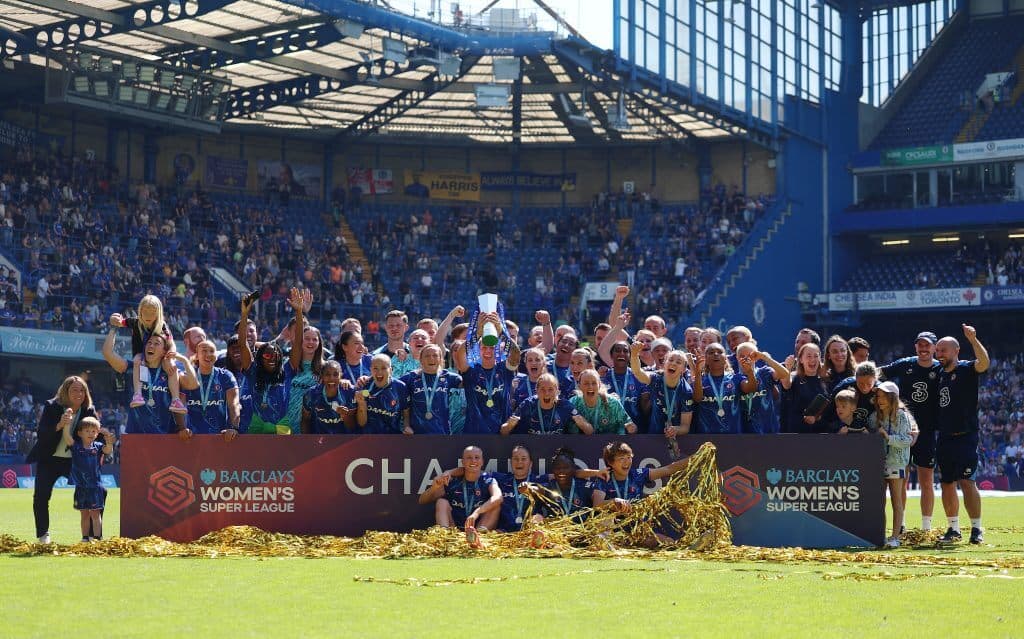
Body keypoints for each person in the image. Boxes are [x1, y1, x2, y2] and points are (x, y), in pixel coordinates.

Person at [879, 331, 942, 531]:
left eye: (928, 345)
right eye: (920, 345)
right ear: (915, 347)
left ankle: (926, 527)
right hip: (901, 431)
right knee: (901, 480)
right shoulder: (905, 364)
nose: (923, 348)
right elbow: (878, 374)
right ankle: (902, 525)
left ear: (934, 347)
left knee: (926, 480)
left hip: (927, 432)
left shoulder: (941, 369)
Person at [26, 376, 99, 544]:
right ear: (65, 391)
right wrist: (59, 425)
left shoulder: (89, 410)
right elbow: (42, 434)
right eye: (74, 390)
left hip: (74, 461)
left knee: (94, 494)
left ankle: (92, 536)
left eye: (82, 390)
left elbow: (96, 434)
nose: (79, 394)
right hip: (49, 459)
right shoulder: (52, 406)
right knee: (41, 497)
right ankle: (43, 535)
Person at [935, 325, 989, 545]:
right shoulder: (937, 375)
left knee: (967, 481)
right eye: (938, 350)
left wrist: (973, 340)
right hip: (945, 437)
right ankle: (953, 528)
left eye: (943, 350)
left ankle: (976, 529)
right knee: (947, 483)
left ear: (956, 351)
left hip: (966, 435)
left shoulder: (967, 369)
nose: (939, 354)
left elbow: (984, 363)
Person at [110, 295, 185, 415]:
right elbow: (120, 322)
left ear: (159, 313)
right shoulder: (135, 322)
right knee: (138, 360)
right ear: (140, 311)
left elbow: (171, 344)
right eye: (145, 312)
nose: (149, 316)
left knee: (172, 367)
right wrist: (114, 319)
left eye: (153, 312)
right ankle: (138, 394)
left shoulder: (162, 326)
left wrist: (170, 358)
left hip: (159, 357)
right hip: (142, 356)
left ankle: (176, 399)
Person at [102, 330, 182, 435]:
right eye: (149, 343)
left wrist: (182, 427)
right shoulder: (134, 367)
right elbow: (108, 354)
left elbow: (188, 391)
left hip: (167, 434)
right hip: (136, 434)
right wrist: (113, 329)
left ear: (164, 351)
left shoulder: (171, 372)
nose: (151, 346)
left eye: (156, 343)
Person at [454, 312, 521, 434]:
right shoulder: (471, 370)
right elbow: (460, 353)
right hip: (474, 433)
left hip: (502, 433)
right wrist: (477, 333)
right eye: (484, 347)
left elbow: (516, 355)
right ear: (478, 350)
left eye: (492, 347)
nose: (488, 351)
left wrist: (502, 332)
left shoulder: (505, 369)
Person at [869, 381, 916, 547]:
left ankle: (895, 537)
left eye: (884, 396)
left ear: (892, 398)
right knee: (879, 502)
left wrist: (888, 438)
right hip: (878, 464)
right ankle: (879, 536)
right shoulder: (874, 417)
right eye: (878, 396)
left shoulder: (902, 416)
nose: (880, 400)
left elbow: (908, 440)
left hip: (896, 463)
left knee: (897, 501)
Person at [418, 445, 501, 534]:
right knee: (441, 502)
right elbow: (422, 500)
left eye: (477, 458)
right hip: (454, 530)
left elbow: (498, 497)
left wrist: (477, 512)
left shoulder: (488, 480)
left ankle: (478, 537)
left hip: (478, 529)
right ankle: (445, 536)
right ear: (463, 462)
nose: (473, 461)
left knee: (495, 505)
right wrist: (434, 487)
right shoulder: (453, 482)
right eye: (469, 458)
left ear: (482, 462)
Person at [62, 416, 113, 543]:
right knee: (84, 514)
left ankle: (97, 539)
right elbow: (67, 438)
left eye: (94, 431)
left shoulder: (99, 446)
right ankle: (85, 538)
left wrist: (108, 439)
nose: (91, 433)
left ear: (97, 433)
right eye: (87, 431)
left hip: (95, 486)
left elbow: (108, 450)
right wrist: (67, 424)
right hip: (81, 486)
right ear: (80, 433)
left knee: (95, 514)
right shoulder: (76, 446)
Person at [179, 339, 241, 439]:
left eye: (212, 351)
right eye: (204, 351)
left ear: (216, 356)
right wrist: (181, 428)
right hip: (191, 437)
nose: (208, 354)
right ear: (197, 355)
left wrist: (233, 427)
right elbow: (180, 405)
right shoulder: (187, 376)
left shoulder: (226, 376)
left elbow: (234, 404)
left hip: (220, 437)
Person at [629, 342, 695, 436]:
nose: (673, 363)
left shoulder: (686, 390)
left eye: (678, 362)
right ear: (664, 363)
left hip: (677, 440)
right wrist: (634, 355)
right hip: (654, 436)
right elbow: (637, 372)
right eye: (670, 360)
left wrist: (676, 430)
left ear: (683, 370)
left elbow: (685, 427)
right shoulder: (655, 378)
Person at [691, 342, 757, 434]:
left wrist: (749, 372)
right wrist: (698, 373)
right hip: (706, 438)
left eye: (720, 352)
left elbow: (751, 389)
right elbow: (697, 399)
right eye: (711, 352)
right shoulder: (700, 380)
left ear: (725, 358)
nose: (716, 354)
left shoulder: (735, 378)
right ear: (705, 359)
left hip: (734, 436)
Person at [285, 288, 325, 433]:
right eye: (306, 338)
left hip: (314, 427)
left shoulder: (325, 369)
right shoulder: (292, 364)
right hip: (288, 426)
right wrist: (299, 312)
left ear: (319, 343)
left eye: (315, 339)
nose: (310, 342)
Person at [401, 344, 462, 435]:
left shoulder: (449, 377)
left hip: (441, 433)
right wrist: (406, 425)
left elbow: (470, 382)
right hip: (415, 433)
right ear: (420, 360)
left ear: (441, 359)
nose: (431, 358)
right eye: (427, 356)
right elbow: (392, 385)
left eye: (435, 355)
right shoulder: (411, 377)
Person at [500, 373, 587, 435]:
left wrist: (583, 425)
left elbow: (590, 431)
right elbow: (503, 431)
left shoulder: (565, 405)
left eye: (550, 389)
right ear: (536, 391)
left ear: (557, 392)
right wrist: (509, 425)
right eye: (542, 389)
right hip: (532, 449)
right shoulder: (528, 404)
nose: (546, 393)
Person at [734, 342, 790, 434]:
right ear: (736, 358)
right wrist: (749, 372)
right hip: (745, 433)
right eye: (742, 356)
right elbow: (748, 387)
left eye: (750, 355)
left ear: (756, 356)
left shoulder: (764, 372)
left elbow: (784, 373)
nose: (746, 359)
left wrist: (765, 357)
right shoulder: (735, 378)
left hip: (769, 430)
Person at [602, 340, 650, 432]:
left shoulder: (638, 377)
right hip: (610, 430)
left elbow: (645, 409)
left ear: (630, 356)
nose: (621, 353)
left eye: (625, 351)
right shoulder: (603, 377)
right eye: (618, 350)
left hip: (635, 430)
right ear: (611, 355)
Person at [353, 354, 408, 434]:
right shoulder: (364, 385)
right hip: (369, 439)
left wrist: (406, 427)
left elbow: (406, 413)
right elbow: (361, 423)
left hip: (392, 439)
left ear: (391, 370)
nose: (379, 372)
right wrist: (361, 404)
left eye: (383, 368)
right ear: (370, 370)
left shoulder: (400, 387)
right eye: (375, 368)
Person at [571, 369, 636, 434]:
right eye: (586, 383)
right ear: (579, 386)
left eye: (594, 383)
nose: (590, 387)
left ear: (599, 385)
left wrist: (631, 427)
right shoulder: (573, 403)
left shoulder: (612, 403)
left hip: (611, 442)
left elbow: (628, 423)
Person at [783, 343, 829, 434]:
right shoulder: (794, 378)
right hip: (798, 433)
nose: (813, 359)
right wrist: (787, 368)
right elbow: (786, 385)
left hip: (822, 432)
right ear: (800, 359)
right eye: (808, 356)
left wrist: (818, 416)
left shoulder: (826, 379)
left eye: (816, 356)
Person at [301, 360, 351, 433]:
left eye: (335, 374)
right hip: (318, 441)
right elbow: (305, 420)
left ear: (341, 375)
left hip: (342, 442)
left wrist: (346, 416)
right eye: (327, 374)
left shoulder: (347, 393)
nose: (331, 378)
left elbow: (353, 426)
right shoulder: (311, 394)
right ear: (322, 376)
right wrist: (306, 441)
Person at [830, 361, 879, 433]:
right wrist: (838, 430)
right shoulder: (843, 386)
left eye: (869, 384)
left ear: (875, 380)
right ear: (855, 378)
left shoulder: (881, 390)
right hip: (844, 428)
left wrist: (871, 432)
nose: (865, 388)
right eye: (861, 383)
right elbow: (829, 413)